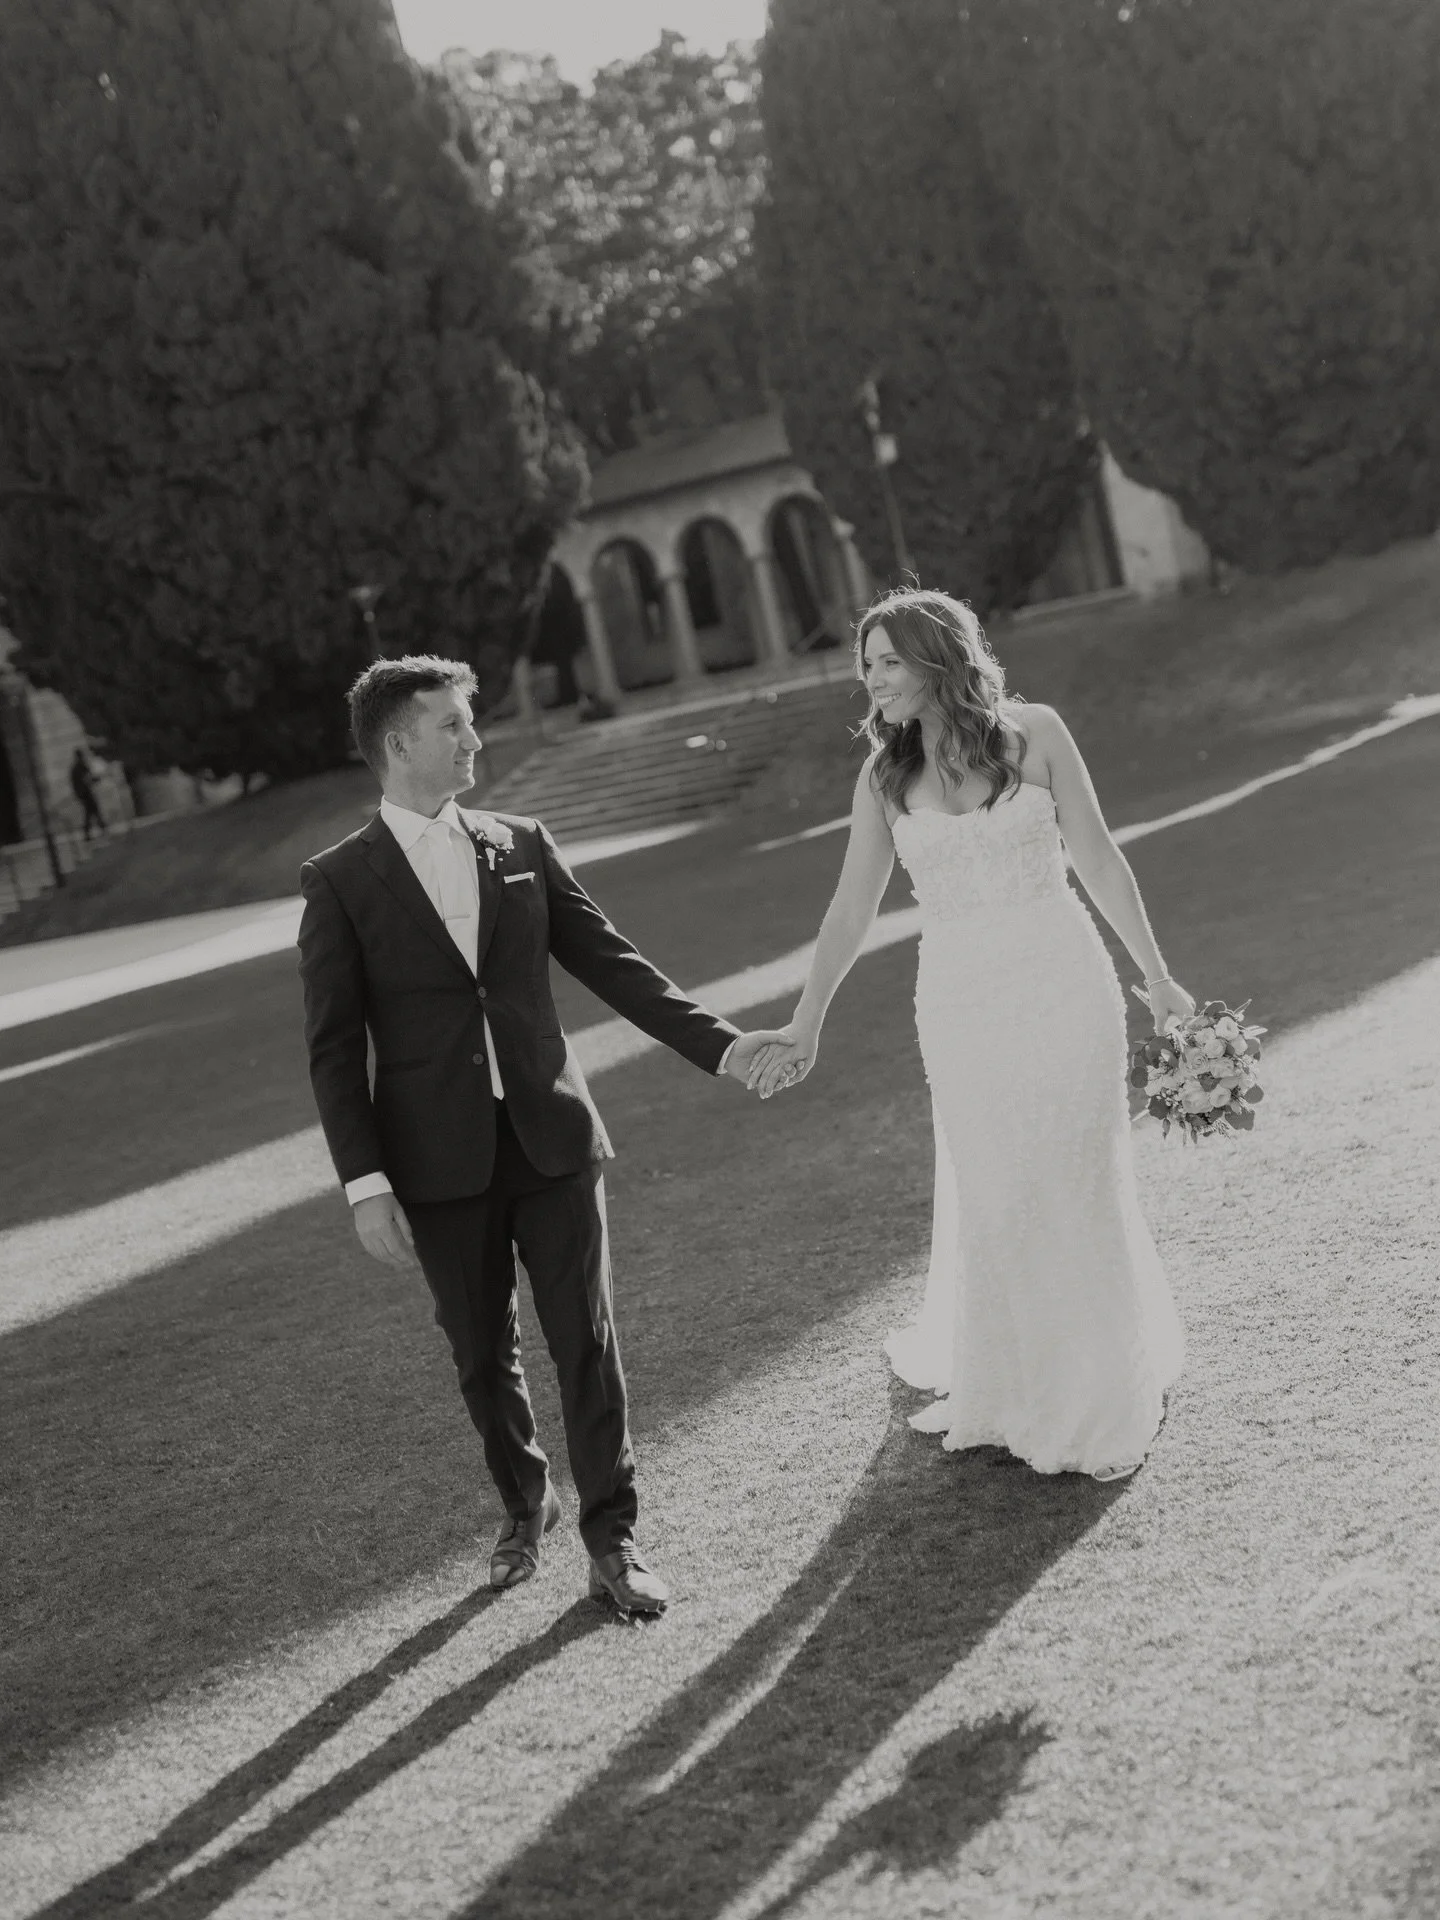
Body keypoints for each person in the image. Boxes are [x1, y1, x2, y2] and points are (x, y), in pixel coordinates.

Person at [297, 656, 784, 1617]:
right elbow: (331, 1049)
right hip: (435, 1162)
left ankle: (615, 1538)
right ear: (399, 745)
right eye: (454, 725)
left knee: (585, 1341)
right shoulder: (340, 882)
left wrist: (723, 1048)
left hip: (554, 1137)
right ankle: (526, 1505)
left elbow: (613, 961)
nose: (475, 738)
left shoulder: (522, 842)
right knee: (481, 1354)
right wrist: (365, 1184)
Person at [751, 588, 1188, 1481]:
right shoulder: (881, 777)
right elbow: (849, 907)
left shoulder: (1038, 733)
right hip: (960, 1003)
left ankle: (1102, 1383)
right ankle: (1020, 1380)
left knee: (1074, 1171)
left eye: (887, 662)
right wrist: (807, 1018)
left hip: (1064, 981)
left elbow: (1099, 858)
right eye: (863, 665)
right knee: (1002, 1187)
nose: (870, 681)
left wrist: (1158, 977)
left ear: (937, 656)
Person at [70, 747, 105, 840]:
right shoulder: (80, 767)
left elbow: (86, 778)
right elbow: (87, 778)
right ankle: (100, 828)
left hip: (83, 793)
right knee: (91, 811)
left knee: (91, 811)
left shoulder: (77, 767)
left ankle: (99, 828)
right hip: (85, 793)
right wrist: (96, 779)